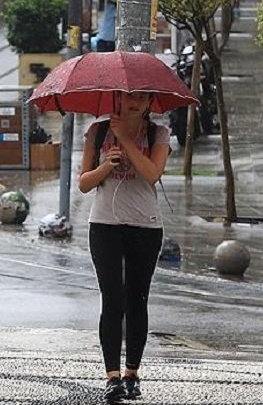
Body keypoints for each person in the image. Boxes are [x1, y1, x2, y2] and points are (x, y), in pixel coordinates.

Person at [78, 91, 171, 404]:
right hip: (104, 225)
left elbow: (152, 173)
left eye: (141, 97)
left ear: (148, 103)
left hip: (145, 226)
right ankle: (112, 377)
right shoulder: (97, 130)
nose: (133, 102)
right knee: (112, 300)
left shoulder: (159, 133)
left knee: (136, 300)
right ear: (117, 98)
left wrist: (127, 141)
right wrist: (106, 165)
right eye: (128, 96)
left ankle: (132, 374)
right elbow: (84, 183)